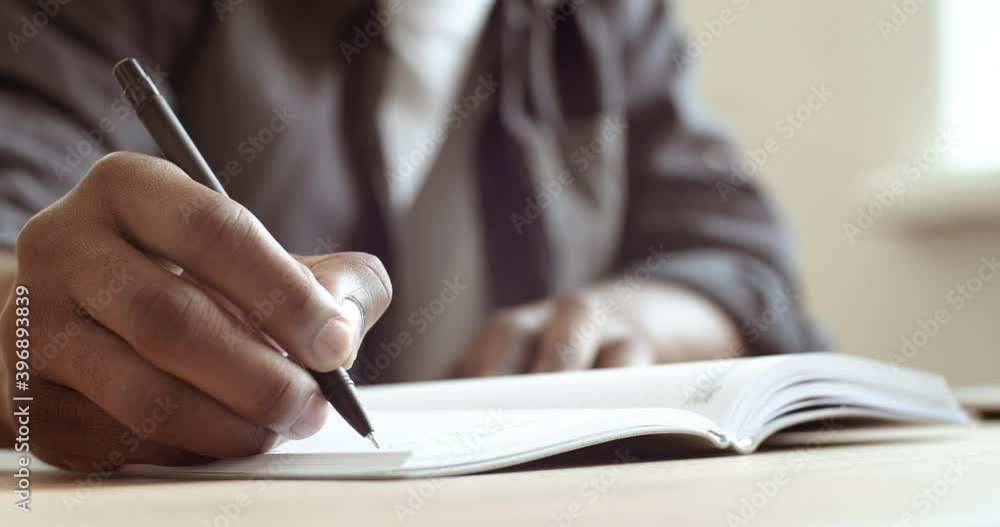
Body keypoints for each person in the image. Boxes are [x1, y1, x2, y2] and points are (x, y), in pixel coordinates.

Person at [0, 0, 826, 469]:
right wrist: (34, 321)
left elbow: (742, 263)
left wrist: (635, 320)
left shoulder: (612, 20)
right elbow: (18, 234)